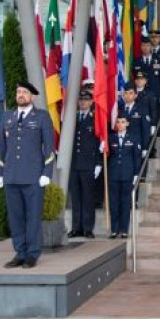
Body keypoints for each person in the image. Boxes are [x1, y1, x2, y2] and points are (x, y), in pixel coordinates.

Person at [0, 81, 55, 268]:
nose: (20, 95)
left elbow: (49, 148)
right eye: (18, 91)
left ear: (32, 96)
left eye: (24, 92)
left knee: (33, 217)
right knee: (16, 218)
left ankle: (32, 254)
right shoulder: (7, 117)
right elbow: (1, 148)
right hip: (11, 176)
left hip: (33, 177)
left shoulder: (42, 117)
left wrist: (46, 173)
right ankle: (20, 252)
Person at [68, 89, 102, 239]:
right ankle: (76, 228)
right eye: (81, 100)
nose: (83, 102)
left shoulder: (95, 119)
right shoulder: (72, 118)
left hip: (88, 164)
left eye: (86, 100)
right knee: (75, 198)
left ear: (91, 102)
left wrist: (98, 164)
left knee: (88, 197)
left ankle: (88, 228)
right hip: (74, 164)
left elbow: (99, 143)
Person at [107, 114, 141, 239]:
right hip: (114, 174)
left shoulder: (134, 137)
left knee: (125, 202)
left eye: (122, 121)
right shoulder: (111, 138)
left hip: (127, 174)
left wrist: (136, 173)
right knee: (113, 202)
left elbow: (137, 157)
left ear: (127, 123)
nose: (120, 124)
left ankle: (124, 230)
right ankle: (114, 230)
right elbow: (107, 155)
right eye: (118, 122)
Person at [133, 37, 160, 105]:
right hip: (141, 97)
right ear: (140, 47)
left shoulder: (159, 60)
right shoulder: (136, 61)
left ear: (151, 47)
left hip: (156, 96)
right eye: (143, 45)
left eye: (147, 45)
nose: (145, 48)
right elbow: (134, 79)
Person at [119, 81, 151, 155]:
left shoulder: (142, 109)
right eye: (126, 93)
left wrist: (145, 147)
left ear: (135, 95)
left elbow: (145, 130)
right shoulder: (119, 109)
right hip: (123, 148)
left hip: (136, 146)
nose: (128, 96)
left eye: (130, 93)